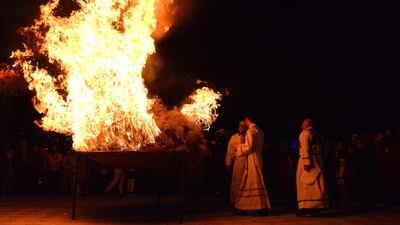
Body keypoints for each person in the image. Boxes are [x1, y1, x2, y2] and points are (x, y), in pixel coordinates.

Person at [233, 116, 271, 215]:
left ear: (247, 120)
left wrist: (238, 148)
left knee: (252, 182)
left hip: (252, 158)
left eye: (245, 121)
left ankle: (249, 207)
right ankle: (258, 207)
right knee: (256, 181)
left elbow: (249, 147)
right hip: (259, 157)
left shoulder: (250, 131)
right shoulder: (260, 131)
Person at [296, 118, 329, 216]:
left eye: (302, 124)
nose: (301, 126)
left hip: (309, 160)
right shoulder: (318, 135)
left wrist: (306, 161)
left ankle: (307, 207)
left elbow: (305, 148)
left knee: (305, 184)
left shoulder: (305, 133)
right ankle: (315, 207)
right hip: (318, 160)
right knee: (317, 184)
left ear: (307, 124)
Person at [225, 120, 246, 206]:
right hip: (238, 161)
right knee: (237, 181)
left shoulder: (249, 136)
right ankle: (235, 201)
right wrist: (228, 163)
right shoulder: (234, 137)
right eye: (240, 125)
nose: (241, 127)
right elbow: (230, 151)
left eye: (243, 126)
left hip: (247, 161)